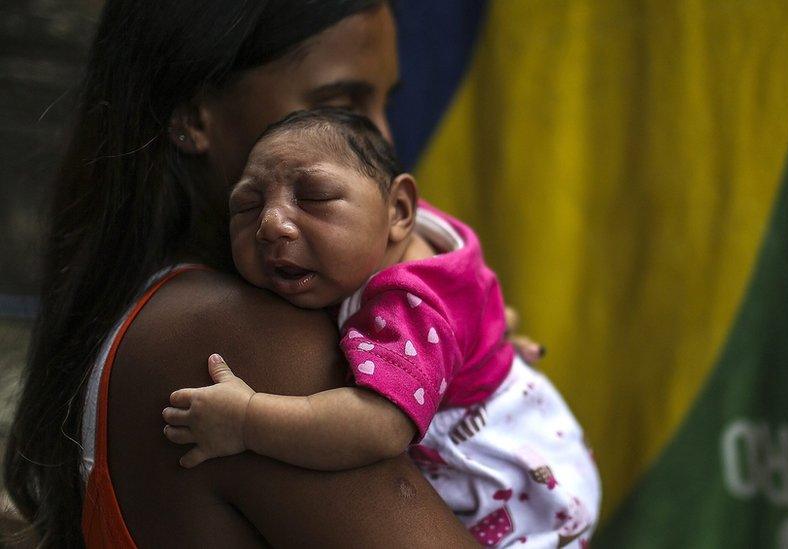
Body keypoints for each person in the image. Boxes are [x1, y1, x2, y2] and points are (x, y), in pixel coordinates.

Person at [1, 1, 504, 546]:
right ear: (193, 116)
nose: (380, 142)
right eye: (339, 103)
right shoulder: (239, 338)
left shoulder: (154, 304)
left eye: (385, 104)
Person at [161, 108, 601, 546]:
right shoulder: (395, 228)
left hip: (516, 502)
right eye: (247, 205)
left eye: (313, 197)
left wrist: (246, 419)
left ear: (400, 210)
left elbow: (380, 426)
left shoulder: (409, 304)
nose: (270, 225)